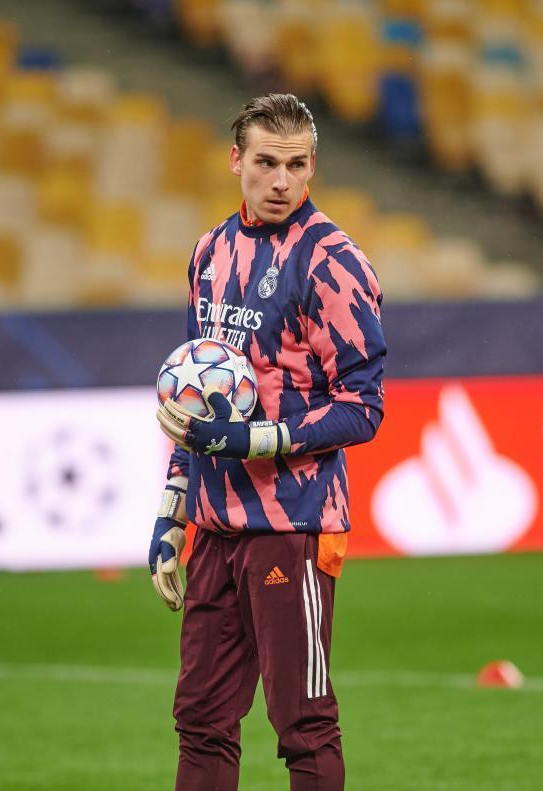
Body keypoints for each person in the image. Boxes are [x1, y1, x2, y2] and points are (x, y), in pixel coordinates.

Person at [151, 93, 386, 791]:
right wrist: (172, 511)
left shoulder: (334, 263)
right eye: (266, 163)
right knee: (201, 720)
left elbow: (363, 408)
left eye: (296, 165)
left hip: (294, 525)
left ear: (312, 165)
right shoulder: (209, 253)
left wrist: (253, 438)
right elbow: (195, 402)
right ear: (236, 161)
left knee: (303, 724)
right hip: (215, 526)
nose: (281, 181)